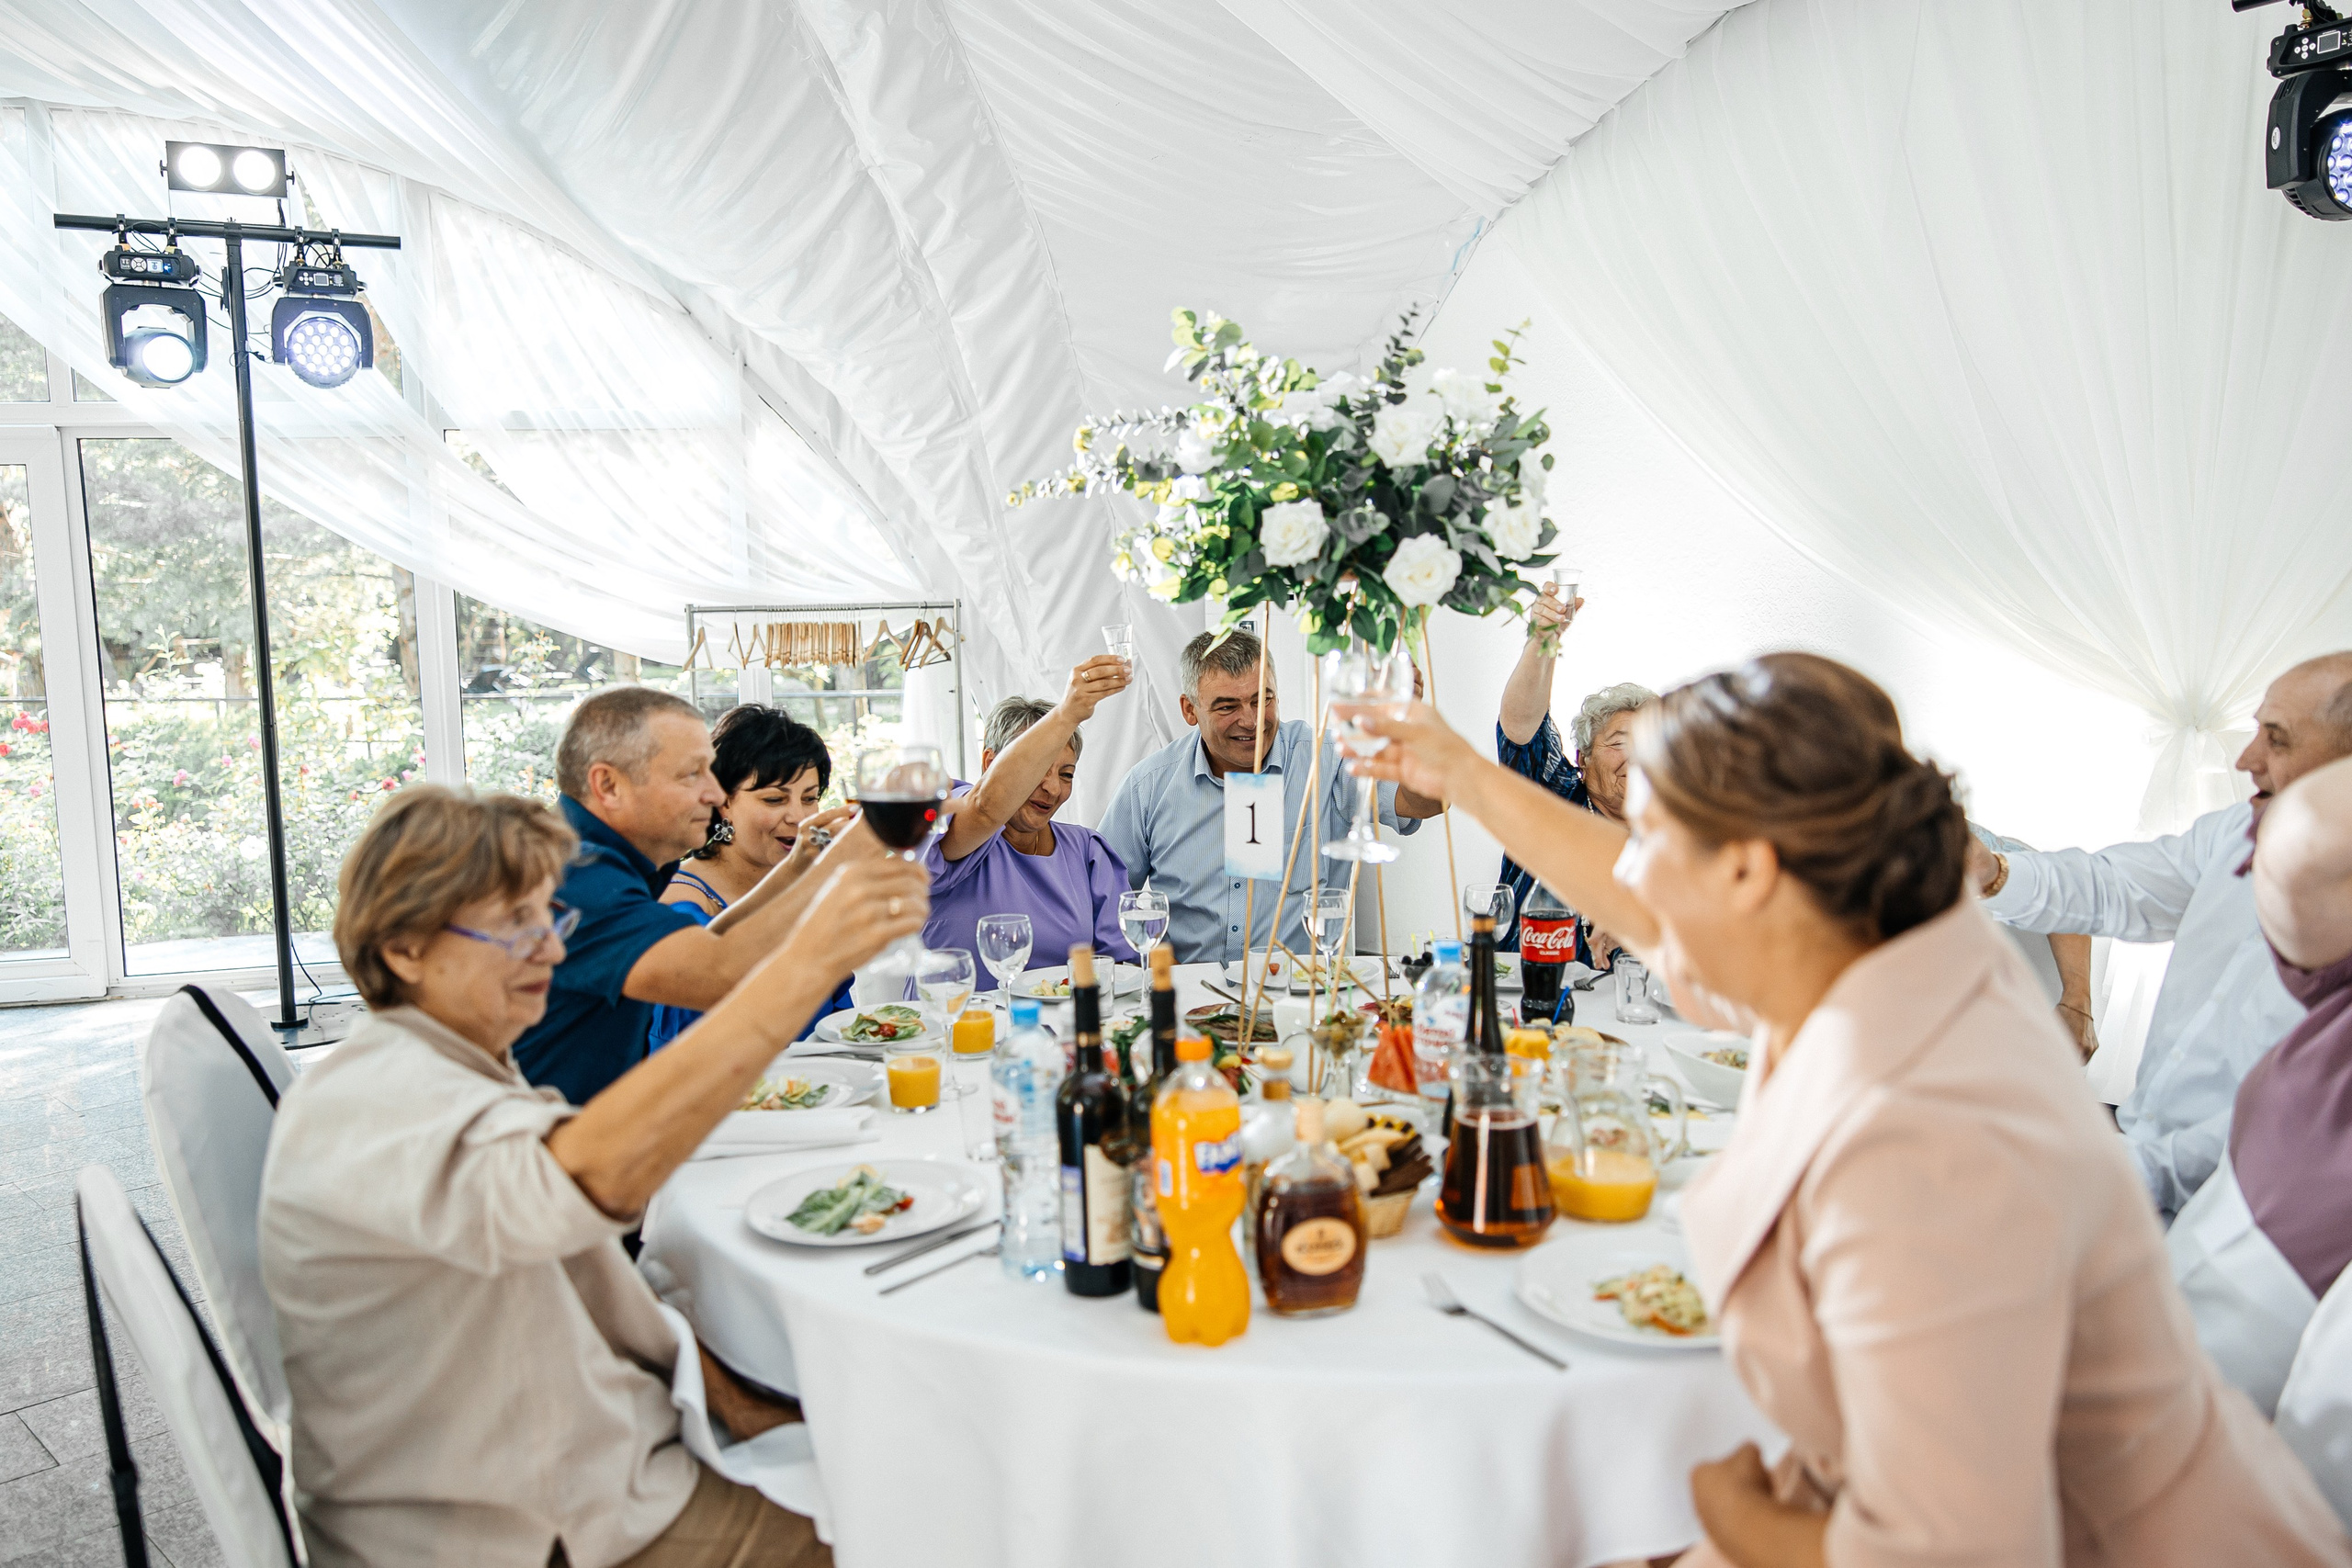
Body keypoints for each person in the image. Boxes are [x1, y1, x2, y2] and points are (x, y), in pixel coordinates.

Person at [1352, 655, 2350, 1567]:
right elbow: (1646, 908)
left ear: (1747, 873)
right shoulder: (1862, 938)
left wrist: (1710, 1505)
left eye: (1648, 839)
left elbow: (1948, 1551)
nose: (1627, 872)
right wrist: (1462, 775)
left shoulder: (1919, 1123)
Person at [260, 784, 929, 1568]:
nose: (551, 951)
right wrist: (805, 965)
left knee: (893, 1448)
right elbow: (592, 1179)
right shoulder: (378, 1100)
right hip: (515, 1525)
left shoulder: (451, 1059)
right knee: (921, 1526)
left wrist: (748, 1406)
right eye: (515, 926)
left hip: (570, 1457)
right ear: (405, 947)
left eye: (552, 919)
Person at [1969, 651, 2352, 1220]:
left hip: (2242, 1216)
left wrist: (2090, 1171)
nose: (2246, 760)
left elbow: (2289, 1125)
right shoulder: (2233, 832)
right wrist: (1993, 873)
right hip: (2134, 1161)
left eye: (2277, 739)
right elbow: (2113, 888)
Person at [511, 686, 863, 1105]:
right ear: (608, 785)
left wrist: (798, 869)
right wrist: (837, 871)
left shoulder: (620, 863)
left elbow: (711, 941)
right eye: (692, 774)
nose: (714, 796)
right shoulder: (579, 875)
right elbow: (721, 977)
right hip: (546, 1132)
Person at [2172, 752, 2352, 1415]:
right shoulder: (2329, 996)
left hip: (2259, 1405)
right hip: (2180, 1319)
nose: (2246, 759)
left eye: (2276, 737)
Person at [1099, 626, 1441, 965]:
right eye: (1227, 707)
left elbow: (1428, 802)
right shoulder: (1149, 785)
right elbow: (1102, 901)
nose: (1251, 721)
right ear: (1190, 710)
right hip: (1191, 989)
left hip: (1303, 990)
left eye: (1262, 700)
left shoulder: (1326, 759)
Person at [650, 705, 845, 1048]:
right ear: (723, 801)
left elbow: (840, 1018)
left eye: (810, 798)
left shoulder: (813, 885)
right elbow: (693, 1028)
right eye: (774, 799)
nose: (799, 817)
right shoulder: (682, 900)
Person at [924, 660, 1138, 968]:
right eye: (1038, 769)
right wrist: (1067, 713)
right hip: (955, 1001)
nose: (1053, 788)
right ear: (990, 764)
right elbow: (985, 808)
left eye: (1066, 774)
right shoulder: (954, 818)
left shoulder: (1087, 851)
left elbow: (1121, 965)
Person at [1493, 581, 1652, 963]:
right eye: (1619, 743)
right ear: (1583, 758)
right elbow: (1521, 729)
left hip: (1630, 997)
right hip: (1528, 990)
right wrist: (1543, 642)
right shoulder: (1557, 800)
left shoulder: (1677, 837)